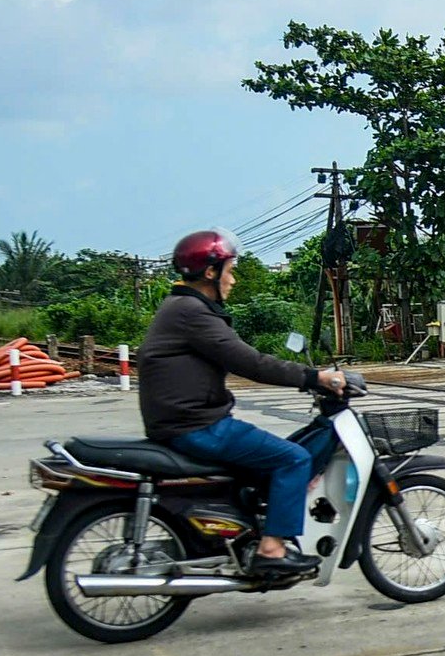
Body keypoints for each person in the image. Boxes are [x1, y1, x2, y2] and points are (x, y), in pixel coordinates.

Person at [139, 231, 348, 574]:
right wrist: (315, 377)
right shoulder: (194, 313)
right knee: (293, 458)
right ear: (210, 272)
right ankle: (272, 550)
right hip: (197, 426)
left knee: (268, 457)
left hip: (182, 421)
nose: (233, 279)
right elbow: (250, 362)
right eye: (230, 270)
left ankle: (251, 528)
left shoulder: (180, 306)